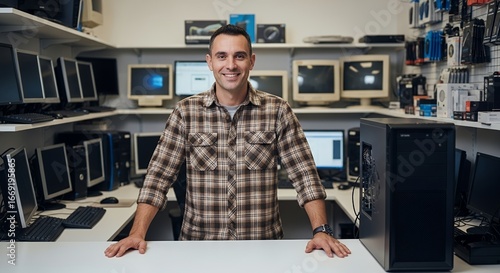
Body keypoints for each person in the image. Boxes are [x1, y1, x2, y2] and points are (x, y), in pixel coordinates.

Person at [104, 24, 351, 258]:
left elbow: (305, 175)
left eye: (239, 56)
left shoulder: (278, 110)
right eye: (221, 56)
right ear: (209, 61)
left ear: (251, 61)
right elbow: (158, 178)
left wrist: (321, 231)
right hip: (198, 248)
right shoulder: (186, 112)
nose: (230, 65)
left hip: (263, 247)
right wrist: (137, 233)